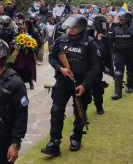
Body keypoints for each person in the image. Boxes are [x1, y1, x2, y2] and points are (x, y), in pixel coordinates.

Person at [41, 15, 101, 156]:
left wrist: (85, 85)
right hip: (63, 81)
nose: (70, 29)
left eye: (74, 27)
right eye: (69, 27)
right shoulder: (61, 40)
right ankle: (54, 143)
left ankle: (76, 138)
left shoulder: (90, 43)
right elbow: (52, 56)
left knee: (80, 111)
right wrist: (60, 68)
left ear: (81, 28)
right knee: (56, 110)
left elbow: (96, 67)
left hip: (81, 83)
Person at [110, 13, 133, 100]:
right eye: (119, 19)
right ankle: (117, 93)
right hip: (119, 52)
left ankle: (130, 86)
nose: (119, 21)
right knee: (118, 71)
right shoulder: (115, 28)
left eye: (121, 19)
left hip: (131, 52)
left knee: (131, 70)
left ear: (128, 20)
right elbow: (110, 40)